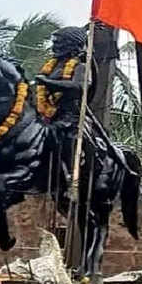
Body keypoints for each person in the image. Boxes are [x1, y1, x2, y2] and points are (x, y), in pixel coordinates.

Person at [35, 26, 90, 178]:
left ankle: (71, 175)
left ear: (70, 45)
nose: (54, 47)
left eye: (58, 43)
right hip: (45, 115)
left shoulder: (81, 67)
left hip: (70, 116)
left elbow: (79, 87)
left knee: (69, 138)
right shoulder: (51, 67)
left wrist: (49, 83)